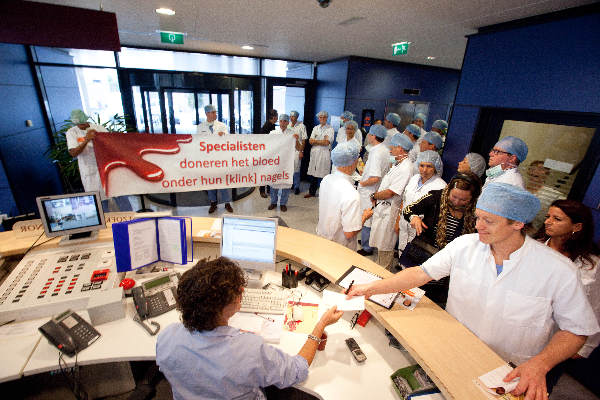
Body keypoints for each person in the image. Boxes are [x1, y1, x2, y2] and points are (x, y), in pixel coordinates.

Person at [348, 183, 599, 399]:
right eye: (477, 217)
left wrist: (541, 364)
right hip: (454, 350)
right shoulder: (465, 246)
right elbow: (420, 273)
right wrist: (371, 287)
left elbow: (577, 331)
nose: (478, 225)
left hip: (509, 370)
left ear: (517, 223)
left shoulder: (558, 270)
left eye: (488, 221)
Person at [156, 257, 344, 400]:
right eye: (236, 291)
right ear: (220, 308)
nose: (243, 291)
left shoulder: (166, 337)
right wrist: (320, 325)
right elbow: (297, 371)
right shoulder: (249, 350)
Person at [535, 200, 600, 396]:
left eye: (557, 219)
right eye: (548, 217)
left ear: (577, 226)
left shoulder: (590, 264)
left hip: (559, 339)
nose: (548, 222)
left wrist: (585, 345)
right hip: (521, 330)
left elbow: (594, 307)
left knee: (541, 386)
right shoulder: (533, 248)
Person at [401, 173, 481, 304]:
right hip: (422, 257)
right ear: (449, 190)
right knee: (410, 295)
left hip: (449, 266)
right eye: (454, 197)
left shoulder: (477, 211)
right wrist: (413, 217)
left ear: (473, 198)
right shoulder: (436, 197)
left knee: (432, 302)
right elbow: (409, 209)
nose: (456, 202)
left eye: (463, 200)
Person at [66, 109, 132, 211]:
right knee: (100, 203)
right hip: (90, 171)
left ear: (86, 120)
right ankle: (104, 225)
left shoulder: (98, 128)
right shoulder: (72, 132)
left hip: (106, 168)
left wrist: (99, 138)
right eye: (78, 124)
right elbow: (73, 153)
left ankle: (131, 220)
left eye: (82, 123)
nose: (81, 126)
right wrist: (86, 140)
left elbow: (112, 144)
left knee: (120, 196)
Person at [366, 134, 415, 270]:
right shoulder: (398, 164)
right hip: (384, 208)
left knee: (386, 244)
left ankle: (383, 273)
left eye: (392, 147)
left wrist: (375, 195)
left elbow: (391, 192)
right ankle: (379, 268)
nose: (390, 150)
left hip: (391, 211)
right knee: (381, 244)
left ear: (400, 148)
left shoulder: (406, 168)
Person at [317, 141, 371, 250]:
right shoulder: (351, 193)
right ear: (353, 163)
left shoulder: (326, 179)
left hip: (322, 238)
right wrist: (365, 216)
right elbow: (349, 233)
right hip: (339, 247)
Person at [396, 151, 446, 256]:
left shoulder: (440, 186)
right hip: (405, 224)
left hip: (420, 231)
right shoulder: (414, 179)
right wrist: (398, 220)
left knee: (414, 260)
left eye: (429, 166)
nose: (424, 169)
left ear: (436, 167)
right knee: (402, 254)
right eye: (422, 165)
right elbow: (405, 200)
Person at [357, 124, 391, 257]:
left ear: (374, 136)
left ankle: (367, 247)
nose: (368, 136)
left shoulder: (376, 152)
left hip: (369, 191)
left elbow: (375, 177)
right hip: (376, 190)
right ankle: (368, 242)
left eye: (370, 134)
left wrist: (362, 182)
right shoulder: (384, 150)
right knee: (371, 218)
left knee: (367, 219)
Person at [197, 105, 233, 214]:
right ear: (207, 114)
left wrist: (224, 135)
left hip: (220, 159)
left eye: (215, 112)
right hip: (207, 160)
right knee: (210, 182)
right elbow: (198, 143)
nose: (215, 114)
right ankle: (213, 203)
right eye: (213, 112)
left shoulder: (222, 126)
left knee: (222, 181)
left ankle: (227, 202)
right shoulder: (200, 127)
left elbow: (230, 139)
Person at [268, 114, 294, 212]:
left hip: (287, 162)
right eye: (281, 121)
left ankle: (283, 203)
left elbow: (299, 147)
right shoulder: (273, 133)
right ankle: (273, 202)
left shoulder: (292, 133)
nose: (283, 123)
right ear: (279, 122)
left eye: (285, 121)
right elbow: (266, 145)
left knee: (285, 182)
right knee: (274, 182)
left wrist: (296, 139)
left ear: (288, 123)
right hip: (275, 161)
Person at [305, 111, 334, 198]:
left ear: (326, 118)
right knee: (314, 174)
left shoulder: (330, 129)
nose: (322, 119)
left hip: (324, 153)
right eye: (320, 117)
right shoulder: (315, 128)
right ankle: (311, 192)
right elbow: (310, 141)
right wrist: (320, 141)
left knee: (324, 175)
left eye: (324, 117)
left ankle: (324, 195)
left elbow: (326, 142)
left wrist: (316, 141)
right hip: (315, 153)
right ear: (318, 118)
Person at [257, 109, 278, 198]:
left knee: (270, 171)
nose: (277, 118)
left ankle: (269, 188)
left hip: (270, 151)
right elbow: (263, 140)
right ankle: (262, 190)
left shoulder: (272, 125)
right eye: (276, 116)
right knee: (264, 171)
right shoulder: (267, 126)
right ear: (273, 117)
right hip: (265, 152)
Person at [289, 110, 307, 195]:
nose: (291, 118)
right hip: (288, 150)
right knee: (289, 168)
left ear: (297, 117)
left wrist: (301, 151)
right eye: (290, 116)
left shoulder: (301, 126)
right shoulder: (288, 125)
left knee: (296, 169)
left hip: (297, 150)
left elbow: (303, 140)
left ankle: (296, 186)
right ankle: (290, 184)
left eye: (293, 116)